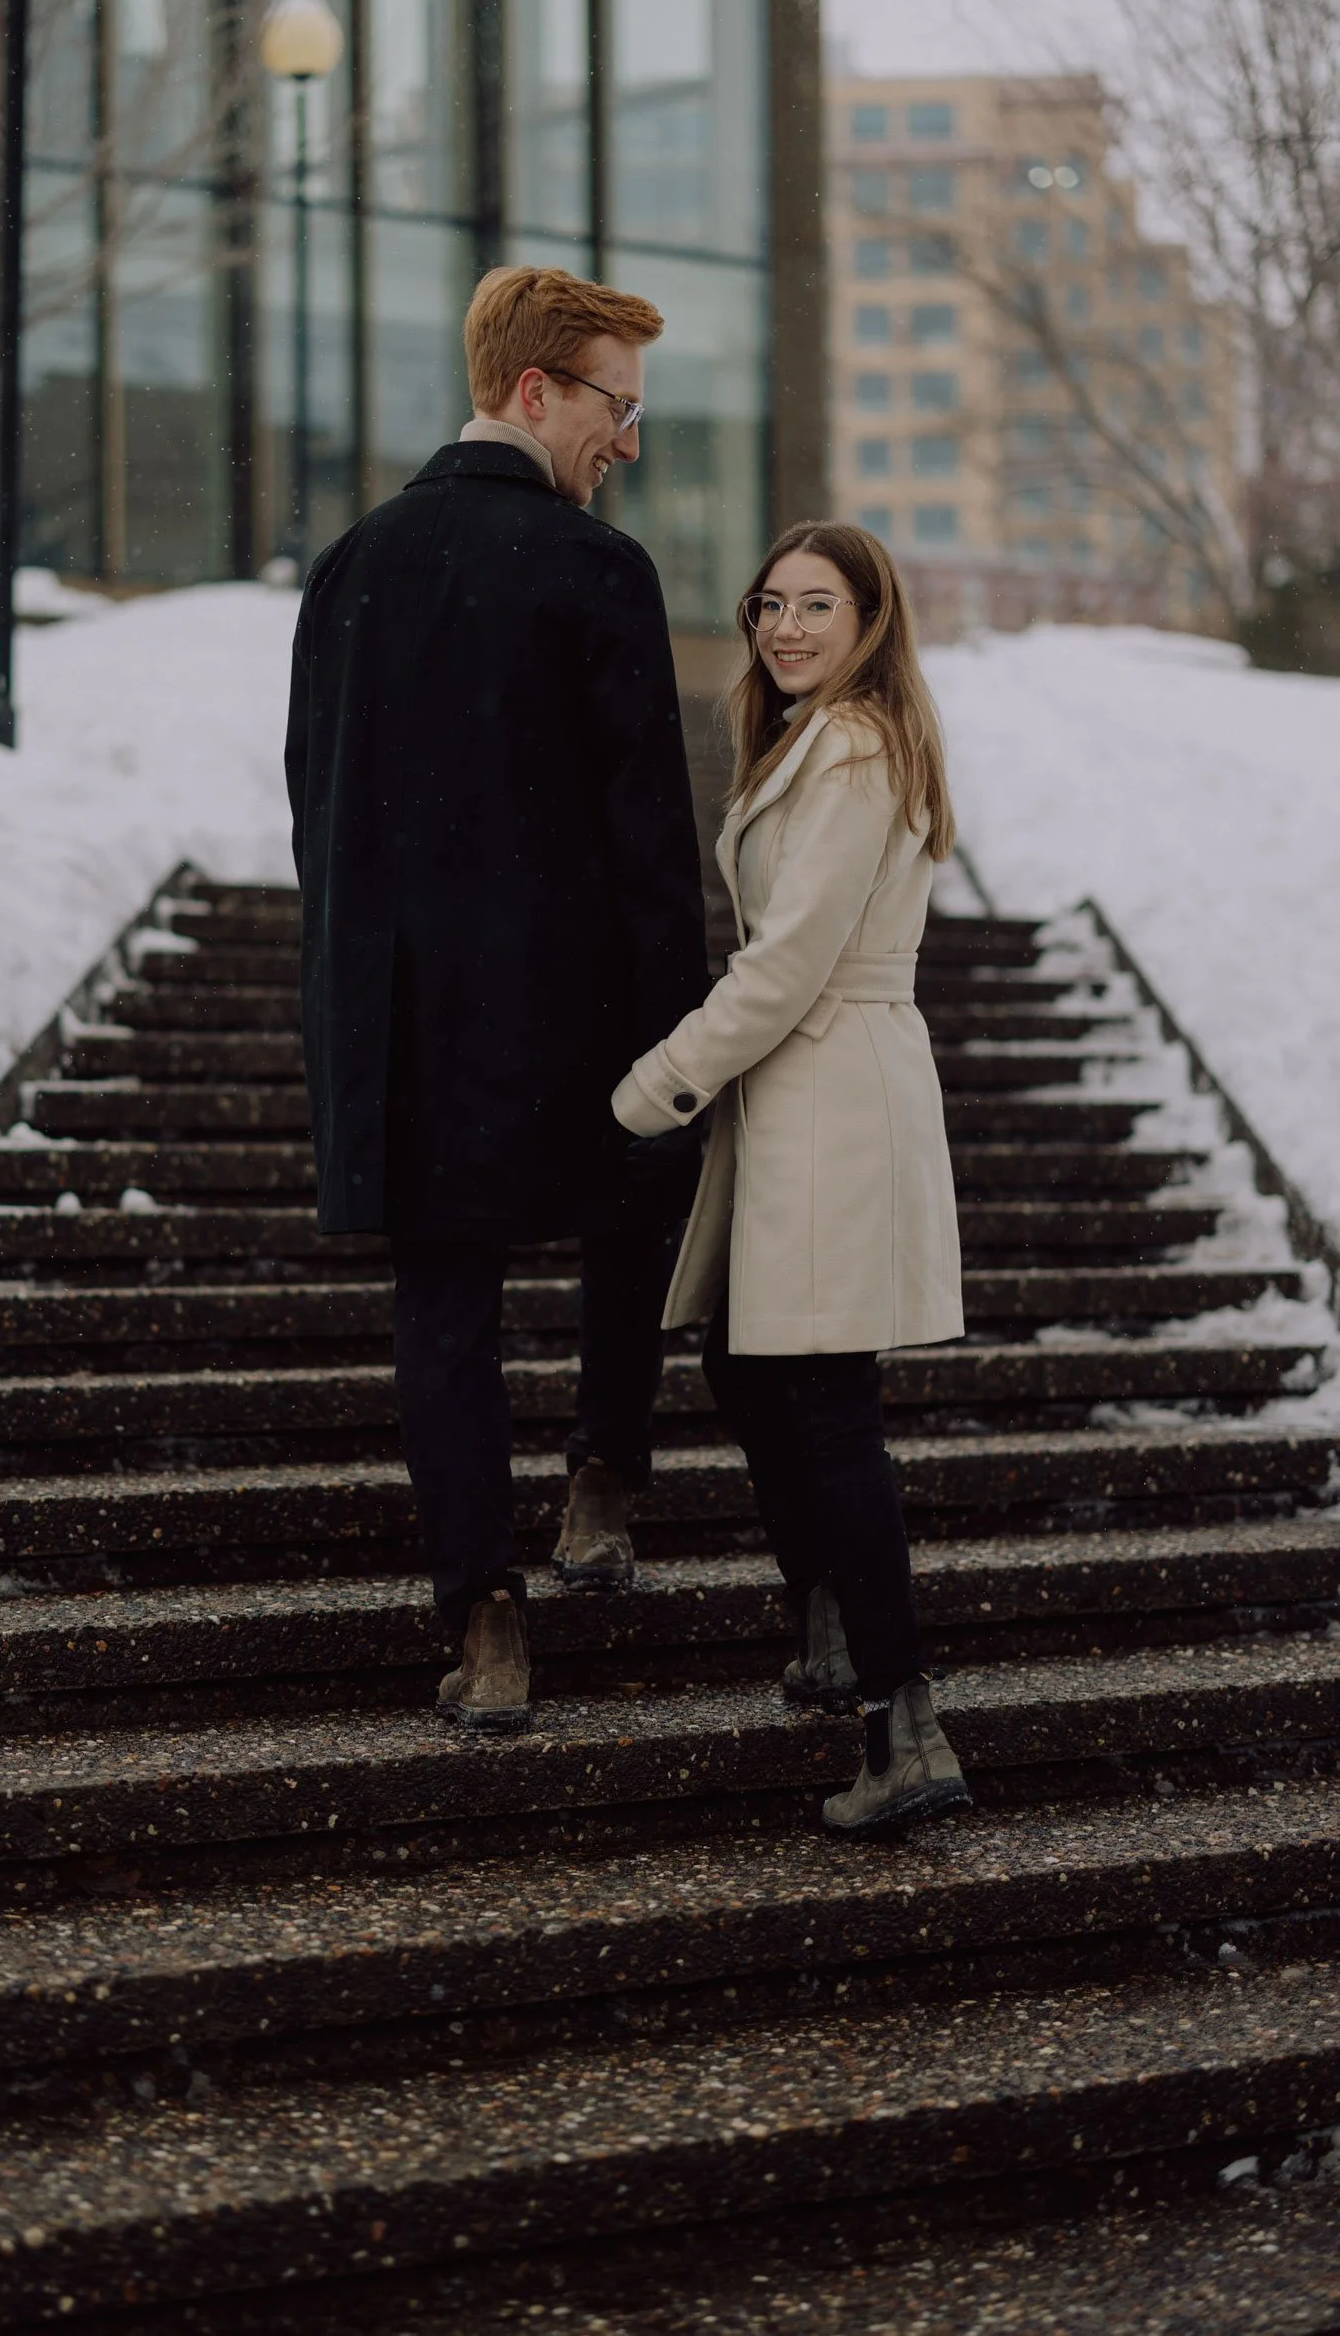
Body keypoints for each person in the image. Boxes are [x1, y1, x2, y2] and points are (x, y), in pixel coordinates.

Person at [286, 266, 709, 1735]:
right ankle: (601, 1475)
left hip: (404, 1012)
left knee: (445, 1307)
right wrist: (682, 1028)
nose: (629, 443)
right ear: (534, 393)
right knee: (629, 1211)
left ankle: (484, 1617)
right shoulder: (598, 572)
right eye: (616, 405)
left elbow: (315, 815)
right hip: (573, 1003)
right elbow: (650, 833)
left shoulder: (350, 564)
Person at [611, 521, 971, 1837]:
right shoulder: (819, 735)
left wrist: (655, 1084)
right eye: (770, 603)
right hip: (811, 1083)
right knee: (752, 1366)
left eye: (816, 604)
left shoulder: (858, 743)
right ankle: (830, 1626)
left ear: (872, 617)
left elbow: (787, 959)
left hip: (825, 1081)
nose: (784, 626)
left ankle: (901, 1716)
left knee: (814, 1394)